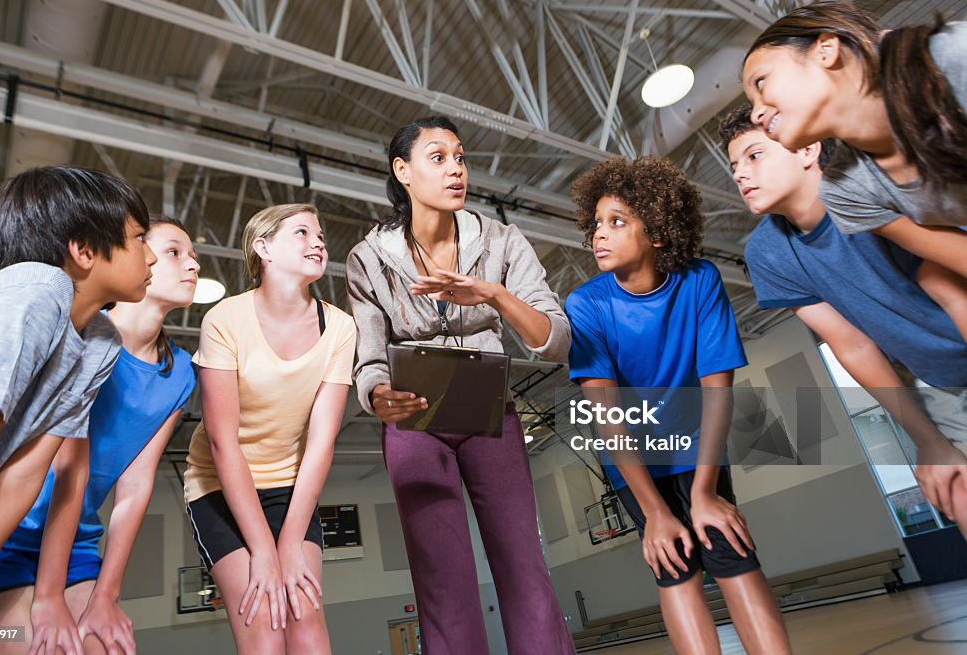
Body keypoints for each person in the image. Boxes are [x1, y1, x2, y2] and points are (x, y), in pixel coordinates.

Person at [346, 115, 574, 655]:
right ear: (402, 171)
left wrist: (495, 296)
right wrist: (379, 396)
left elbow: (557, 341)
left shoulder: (501, 240)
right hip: (413, 421)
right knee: (442, 581)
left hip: (491, 412)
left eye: (461, 157)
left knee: (523, 564)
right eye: (438, 157)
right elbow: (369, 358)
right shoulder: (369, 258)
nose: (456, 170)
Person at [566, 156, 791, 654]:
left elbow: (717, 390)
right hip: (633, 464)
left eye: (617, 222)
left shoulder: (700, 281)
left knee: (731, 552)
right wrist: (654, 515)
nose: (599, 234)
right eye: (596, 223)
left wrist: (706, 493)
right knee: (675, 566)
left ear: (659, 233)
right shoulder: (586, 304)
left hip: (698, 450)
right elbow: (607, 420)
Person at [0, 217, 198, 655]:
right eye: (174, 251)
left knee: (109, 647)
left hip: (75, 542)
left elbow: (135, 487)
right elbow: (65, 469)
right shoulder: (85, 335)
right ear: (141, 257)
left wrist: (106, 595)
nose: (191, 264)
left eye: (194, 256)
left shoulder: (180, 373)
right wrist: (48, 598)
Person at [720, 103, 967, 530]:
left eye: (755, 155)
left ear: (807, 150)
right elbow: (851, 343)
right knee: (957, 490)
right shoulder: (768, 252)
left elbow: (950, 288)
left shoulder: (869, 185)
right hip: (943, 376)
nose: (740, 174)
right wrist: (927, 440)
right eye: (734, 165)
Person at [185, 204, 354, 655]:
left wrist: (292, 540)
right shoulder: (224, 320)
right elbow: (223, 443)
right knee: (264, 621)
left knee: (305, 617)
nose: (318, 242)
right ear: (264, 248)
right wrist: (264, 549)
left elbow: (321, 441)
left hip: (288, 485)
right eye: (302, 233)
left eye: (320, 234)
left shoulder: (340, 327)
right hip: (220, 486)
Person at [741, 1, 967, 323]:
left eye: (761, 83)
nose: (756, 113)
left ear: (826, 49)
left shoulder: (953, 59)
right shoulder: (846, 191)